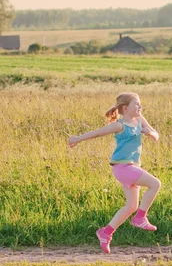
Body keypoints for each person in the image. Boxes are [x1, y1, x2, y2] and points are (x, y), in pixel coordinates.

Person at [68, 92, 161, 254]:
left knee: (131, 206)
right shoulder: (120, 126)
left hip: (133, 167)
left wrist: (150, 133)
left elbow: (155, 135)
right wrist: (77, 138)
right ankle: (140, 218)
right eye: (136, 104)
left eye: (140, 104)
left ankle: (105, 233)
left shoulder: (140, 120)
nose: (140, 107)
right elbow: (97, 133)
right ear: (125, 108)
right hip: (122, 168)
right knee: (155, 184)